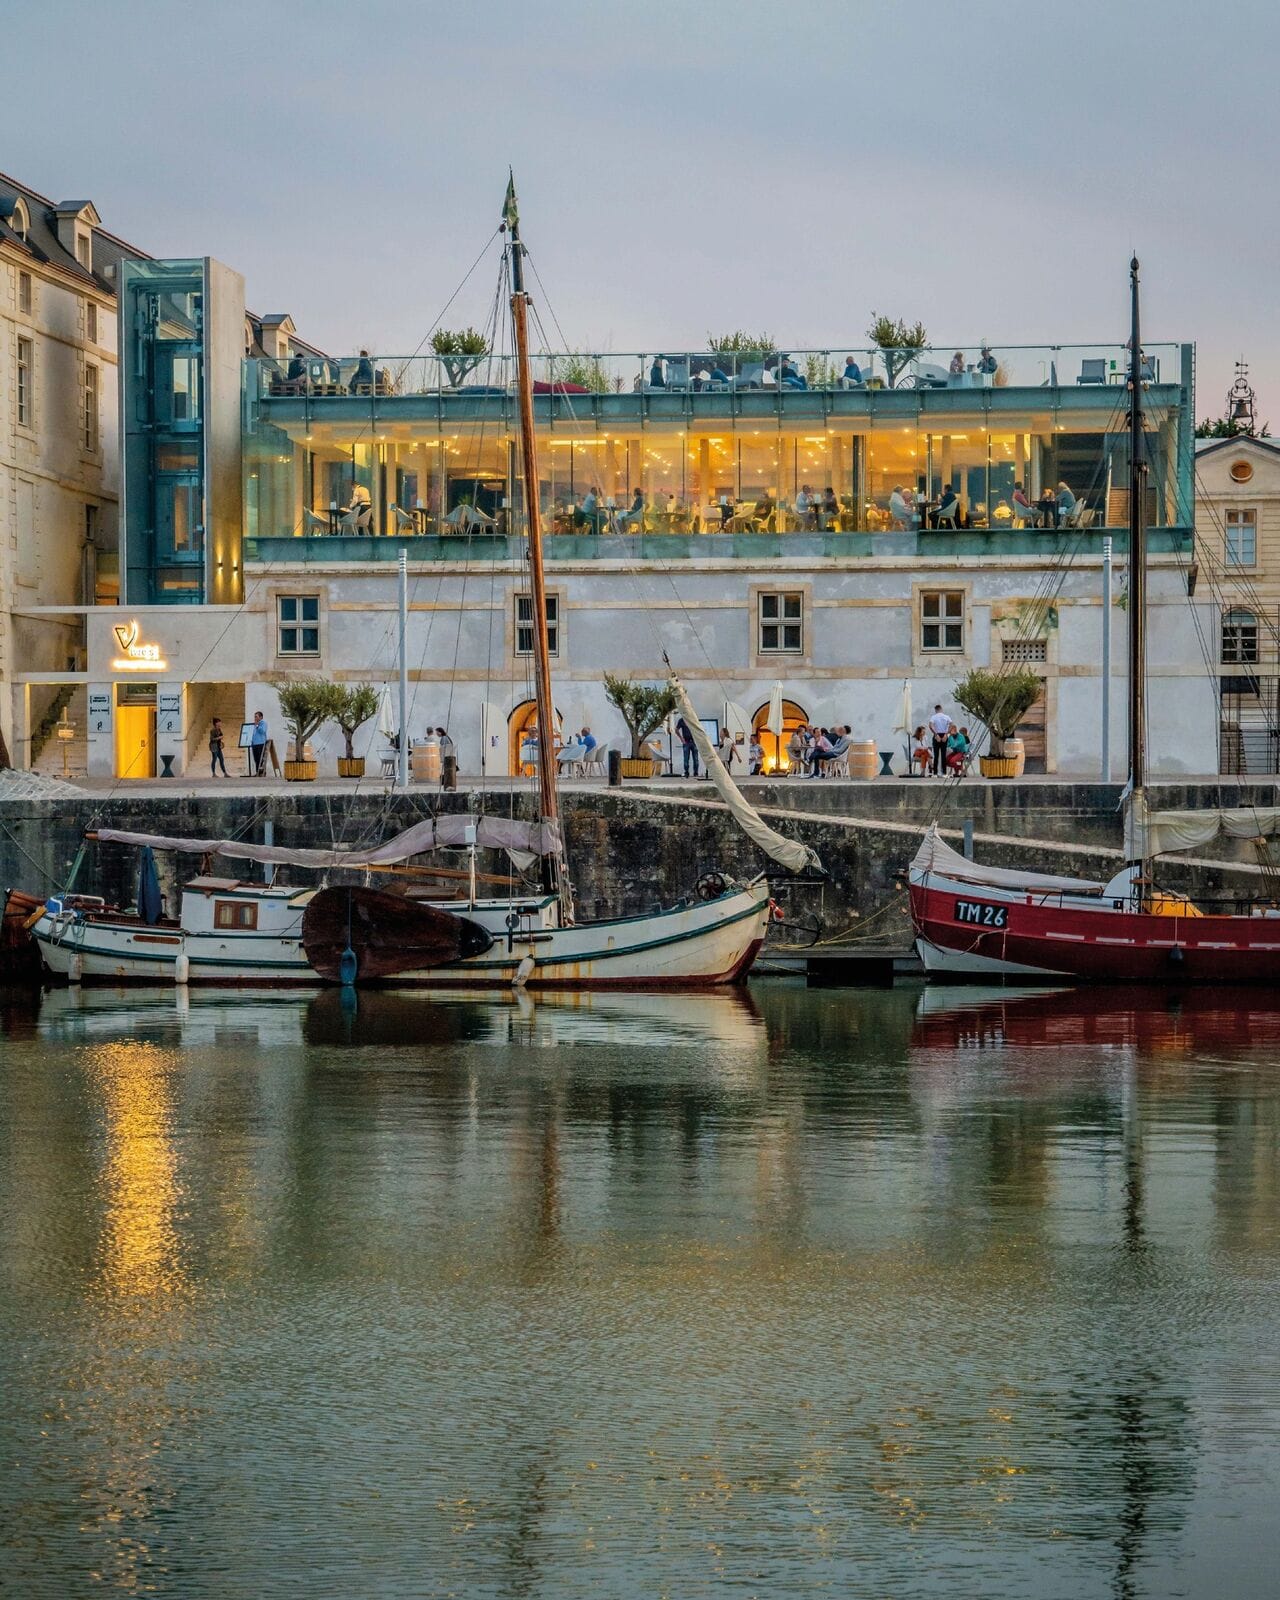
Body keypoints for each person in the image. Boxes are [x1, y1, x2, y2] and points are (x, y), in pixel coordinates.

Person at [928, 703, 952, 776]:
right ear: (941, 709)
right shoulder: (947, 717)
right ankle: (944, 773)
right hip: (944, 735)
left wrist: (936, 734)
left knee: (936, 755)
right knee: (943, 755)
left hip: (937, 735)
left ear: (935, 710)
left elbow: (930, 725)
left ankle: (935, 773)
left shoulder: (933, 717)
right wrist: (946, 734)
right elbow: (951, 725)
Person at [249, 710, 269, 776]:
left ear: (261, 717)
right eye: (254, 716)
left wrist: (257, 725)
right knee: (256, 759)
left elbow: (263, 731)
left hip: (260, 743)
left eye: (256, 716)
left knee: (260, 759)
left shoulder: (263, 723)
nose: (255, 718)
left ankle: (262, 772)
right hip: (254, 743)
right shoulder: (255, 724)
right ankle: (257, 772)